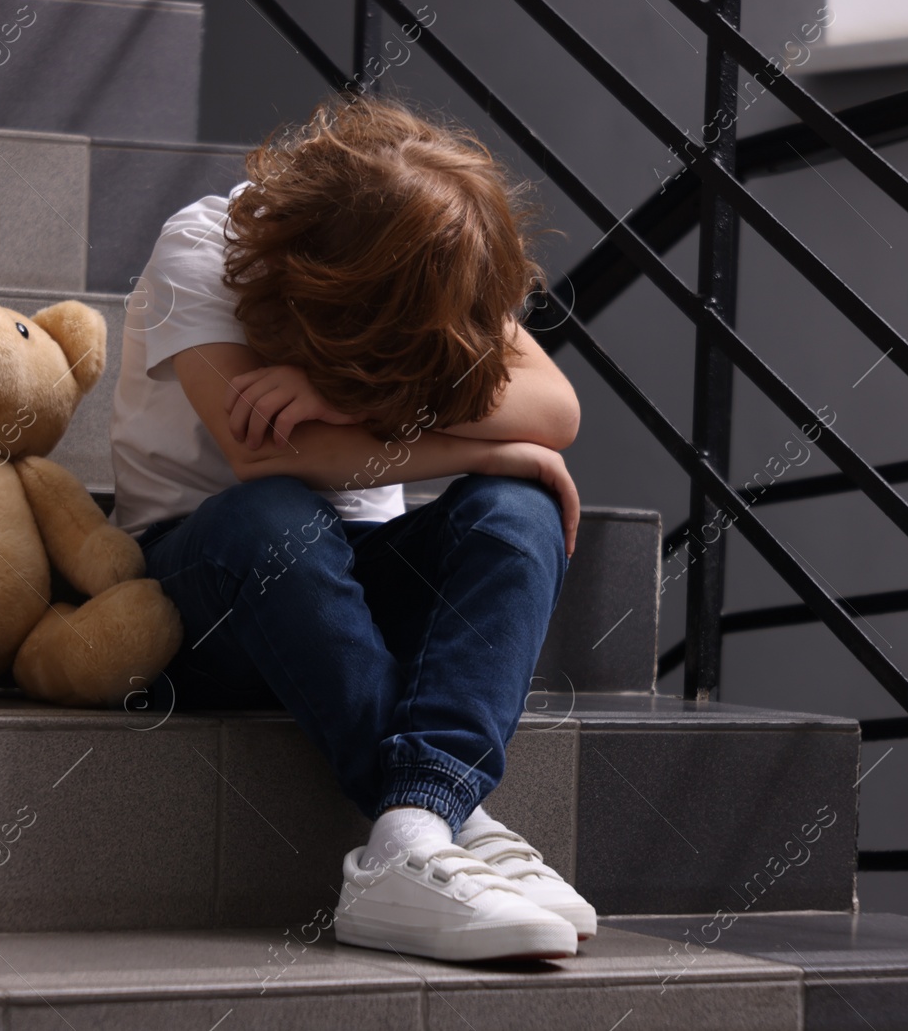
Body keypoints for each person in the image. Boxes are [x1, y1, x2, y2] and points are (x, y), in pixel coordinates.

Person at [108, 92, 595, 962]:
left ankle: (414, 831)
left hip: (353, 588)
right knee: (276, 514)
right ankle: (451, 827)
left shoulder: (444, 260)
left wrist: (344, 397)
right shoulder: (204, 245)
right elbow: (267, 457)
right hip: (206, 585)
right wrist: (480, 446)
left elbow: (555, 408)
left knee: (518, 509)